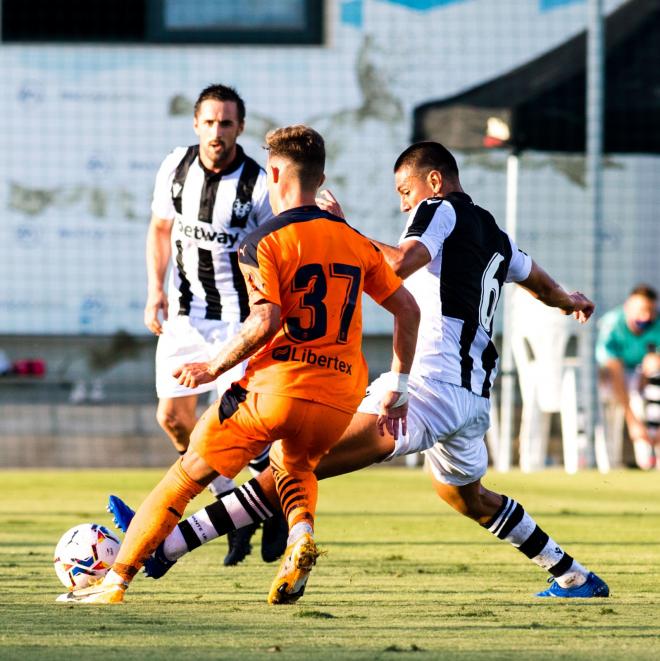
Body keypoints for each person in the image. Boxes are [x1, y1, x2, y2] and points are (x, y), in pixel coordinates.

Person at [113, 140, 609, 600]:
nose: (403, 206)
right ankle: (572, 575)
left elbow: (398, 265)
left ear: (434, 182)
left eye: (404, 192)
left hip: (428, 387)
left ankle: (164, 546)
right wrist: (569, 301)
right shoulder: (495, 236)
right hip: (474, 397)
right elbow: (537, 279)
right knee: (467, 498)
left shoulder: (438, 210)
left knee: (294, 464)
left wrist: (343, 231)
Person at [58, 125, 420, 605]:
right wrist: (398, 379)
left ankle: (115, 581)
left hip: (274, 391)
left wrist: (212, 366)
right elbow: (408, 310)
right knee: (294, 467)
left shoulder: (262, 240)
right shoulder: (356, 242)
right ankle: (299, 536)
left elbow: (265, 320)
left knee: (186, 476)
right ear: (321, 176)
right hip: (339, 397)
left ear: (273, 172)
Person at [143, 83, 287, 565]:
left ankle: (274, 508)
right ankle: (233, 504)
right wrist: (155, 290)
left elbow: (280, 246)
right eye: (209, 122)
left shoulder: (258, 183)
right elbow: (161, 230)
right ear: (196, 124)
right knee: (173, 418)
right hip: (185, 317)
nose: (217, 132)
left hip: (237, 322)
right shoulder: (174, 168)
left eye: (226, 123)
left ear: (240, 128)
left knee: (244, 429)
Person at [596, 285, 660, 469]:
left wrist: (652, 365)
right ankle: (610, 463)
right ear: (627, 308)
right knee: (632, 398)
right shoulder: (612, 325)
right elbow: (614, 373)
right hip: (611, 378)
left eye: (650, 311)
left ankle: (650, 455)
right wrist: (633, 422)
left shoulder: (657, 324)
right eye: (641, 311)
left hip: (642, 379)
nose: (646, 317)